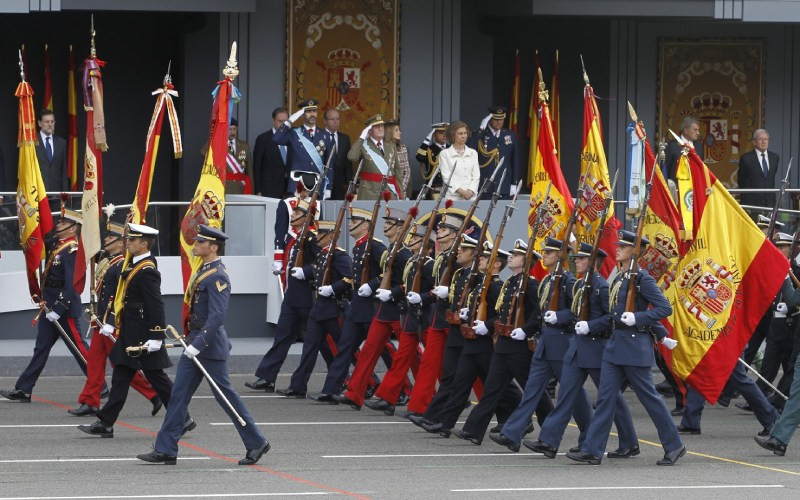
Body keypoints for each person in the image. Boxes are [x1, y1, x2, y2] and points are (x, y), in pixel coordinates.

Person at [137, 225, 269, 466]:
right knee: (178, 395)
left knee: (225, 397)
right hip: (196, 342)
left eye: (200, 242)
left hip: (208, 346)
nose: (195, 245)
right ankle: (166, 449)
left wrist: (198, 344)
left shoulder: (217, 275)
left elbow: (218, 316)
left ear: (213, 247)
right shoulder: (204, 270)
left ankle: (256, 442)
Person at [566, 230, 685, 466]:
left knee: (650, 399)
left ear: (635, 251)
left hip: (634, 348)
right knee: (605, 399)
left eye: (624, 245)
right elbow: (613, 314)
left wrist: (638, 318)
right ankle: (592, 449)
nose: (618, 248)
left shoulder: (642, 279)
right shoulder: (619, 278)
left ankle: (674, 445)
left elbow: (664, 309)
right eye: (618, 244)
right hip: (614, 348)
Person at [78, 223, 193, 439]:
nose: (127, 242)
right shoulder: (132, 265)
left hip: (143, 334)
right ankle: (106, 422)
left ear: (143, 243)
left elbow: (156, 304)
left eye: (132, 240)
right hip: (130, 330)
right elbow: (122, 297)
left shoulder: (147, 269)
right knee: (121, 376)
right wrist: (111, 321)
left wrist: (157, 336)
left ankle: (183, 418)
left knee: (157, 378)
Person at [524, 244, 638, 459]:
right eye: (575, 258)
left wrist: (591, 325)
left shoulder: (601, 287)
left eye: (581, 258)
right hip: (577, 347)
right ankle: (548, 441)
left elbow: (612, 317)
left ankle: (629, 441)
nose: (576, 261)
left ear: (593, 263)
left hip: (596, 348)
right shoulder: (579, 284)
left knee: (611, 397)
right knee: (565, 394)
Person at [488, 237, 590, 451]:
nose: (544, 256)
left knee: (574, 396)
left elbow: (579, 311)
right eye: (544, 252)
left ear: (560, 257)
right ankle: (512, 433)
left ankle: (589, 438)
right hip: (544, 344)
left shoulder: (569, 281)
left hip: (562, 345)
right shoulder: (547, 280)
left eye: (549, 253)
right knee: (532, 391)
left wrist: (559, 317)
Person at [419, 241, 524, 437]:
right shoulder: (480, 285)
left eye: (484, 258)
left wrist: (487, 325)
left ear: (496, 264)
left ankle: (517, 420)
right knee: (460, 384)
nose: (479, 260)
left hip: (485, 344)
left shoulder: (496, 287)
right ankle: (444, 423)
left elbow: (503, 314)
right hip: (471, 342)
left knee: (499, 388)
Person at [452, 239, 552, 444]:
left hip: (520, 347)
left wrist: (526, 330)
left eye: (516, 255)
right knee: (491, 388)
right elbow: (501, 313)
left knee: (534, 392)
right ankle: (473, 430)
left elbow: (539, 314)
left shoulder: (531, 285)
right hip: (504, 344)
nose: (511, 257)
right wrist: (487, 325)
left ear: (526, 261)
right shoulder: (511, 283)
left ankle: (550, 430)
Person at [68, 217, 161, 417]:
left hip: (112, 323)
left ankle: (154, 393)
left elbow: (116, 297)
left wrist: (109, 322)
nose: (106, 240)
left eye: (111, 237)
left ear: (121, 243)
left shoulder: (121, 264)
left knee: (122, 365)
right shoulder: (108, 261)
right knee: (95, 362)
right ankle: (90, 401)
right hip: (101, 321)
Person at [1, 208, 90, 402]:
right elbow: (36, 240)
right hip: (49, 307)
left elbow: (71, 284)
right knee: (40, 349)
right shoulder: (58, 245)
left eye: (63, 224)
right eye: (58, 222)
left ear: (74, 228)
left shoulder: (72, 250)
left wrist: (59, 309)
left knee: (80, 350)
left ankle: (100, 387)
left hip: (63, 310)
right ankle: (24, 389)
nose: (58, 225)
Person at [308, 207, 395, 403]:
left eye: (353, 220)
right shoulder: (358, 247)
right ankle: (332, 389)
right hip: (357, 306)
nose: (349, 224)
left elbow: (389, 272)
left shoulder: (375, 246)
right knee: (345, 349)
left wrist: (371, 286)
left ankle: (401, 389)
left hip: (371, 306)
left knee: (385, 350)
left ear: (364, 225)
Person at [246, 199, 332, 392]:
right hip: (292, 295)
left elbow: (324, 264)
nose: (291, 216)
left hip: (307, 297)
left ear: (306, 217)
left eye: (296, 213)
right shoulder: (293, 237)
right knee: (282, 336)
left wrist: (306, 272)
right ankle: (267, 377)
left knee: (322, 341)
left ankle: (341, 377)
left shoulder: (311, 238)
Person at [335, 206, 413, 409]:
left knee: (411, 356)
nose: (385, 226)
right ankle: (355, 394)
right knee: (369, 351)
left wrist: (390, 292)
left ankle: (420, 395)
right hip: (384, 309)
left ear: (400, 228)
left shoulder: (404, 254)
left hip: (398, 309)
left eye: (390, 224)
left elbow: (409, 283)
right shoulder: (389, 251)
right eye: (385, 223)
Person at [364, 222, 434, 415]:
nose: (410, 240)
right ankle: (387, 398)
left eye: (415, 239)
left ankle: (438, 400)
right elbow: (406, 284)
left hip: (428, 319)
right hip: (411, 317)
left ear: (427, 244)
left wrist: (423, 297)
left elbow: (437, 291)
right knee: (400, 360)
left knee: (436, 365)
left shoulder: (429, 265)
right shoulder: (413, 262)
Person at [278, 219, 352, 396]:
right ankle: (298, 386)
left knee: (347, 350)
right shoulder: (323, 255)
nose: (317, 237)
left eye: (321, 234)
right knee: (309, 348)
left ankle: (368, 383)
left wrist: (332, 289)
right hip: (319, 308)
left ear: (332, 236)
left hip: (334, 309)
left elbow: (349, 279)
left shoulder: (340, 256)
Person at [402, 210, 464, 417]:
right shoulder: (443, 257)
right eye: (439, 228)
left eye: (444, 229)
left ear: (455, 234)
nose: (439, 231)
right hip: (439, 318)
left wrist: (451, 293)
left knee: (473, 368)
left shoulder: (459, 257)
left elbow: (468, 286)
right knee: (429, 364)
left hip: (455, 318)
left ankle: (499, 408)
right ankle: (420, 407)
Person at [273, 99, 332, 197]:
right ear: (301, 114)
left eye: (314, 111)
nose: (312, 114)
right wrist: (289, 121)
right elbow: (276, 139)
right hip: (297, 185)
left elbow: (329, 164)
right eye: (308, 111)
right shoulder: (293, 133)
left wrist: (328, 187)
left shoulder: (324, 135)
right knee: (297, 212)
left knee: (316, 212)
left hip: (317, 187)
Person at [271, 171, 319, 288]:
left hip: (309, 246)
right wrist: (278, 259)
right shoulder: (286, 203)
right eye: (303, 189)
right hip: (291, 244)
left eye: (308, 191)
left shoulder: (316, 204)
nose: (305, 193)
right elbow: (280, 232)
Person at [467, 106, 519, 198]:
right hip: (485, 186)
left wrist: (514, 183)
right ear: (490, 119)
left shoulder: (509, 135)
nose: (499, 122)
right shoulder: (480, 135)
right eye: (496, 119)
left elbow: (514, 160)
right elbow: (469, 149)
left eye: (501, 119)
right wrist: (480, 130)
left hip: (504, 186)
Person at [348, 114, 402, 200]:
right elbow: (351, 157)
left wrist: (400, 194)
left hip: (389, 193)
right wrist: (362, 137)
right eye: (377, 127)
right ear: (369, 131)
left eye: (382, 126)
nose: (380, 129)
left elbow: (397, 171)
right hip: (370, 193)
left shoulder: (391, 146)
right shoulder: (363, 145)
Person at [252, 107, 290, 198]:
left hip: (289, 189)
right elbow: (257, 166)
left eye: (286, 121)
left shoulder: (293, 138)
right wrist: (258, 190)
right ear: (273, 121)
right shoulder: (263, 139)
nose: (283, 124)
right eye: (280, 121)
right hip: (269, 189)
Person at [738, 129, 780, 209]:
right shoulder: (746, 158)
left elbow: (771, 179)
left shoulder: (775, 158)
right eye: (760, 139)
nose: (764, 142)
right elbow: (741, 181)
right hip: (751, 203)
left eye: (766, 139)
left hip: (770, 203)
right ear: (754, 142)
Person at [439, 120, 480, 201]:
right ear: (453, 135)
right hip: (452, 198)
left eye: (465, 133)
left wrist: (470, 191)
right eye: (460, 133)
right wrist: (462, 192)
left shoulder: (473, 153)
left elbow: (476, 176)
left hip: (471, 197)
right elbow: (446, 177)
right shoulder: (445, 154)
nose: (463, 136)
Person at [35, 109, 68, 192]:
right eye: (47, 122)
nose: (50, 124)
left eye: (52, 122)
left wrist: (64, 195)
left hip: (56, 194)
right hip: (37, 195)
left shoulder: (61, 143)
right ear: (40, 123)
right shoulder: (32, 143)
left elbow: (64, 172)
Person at [323, 109, 352, 199]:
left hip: (340, 183)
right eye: (332, 119)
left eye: (337, 119)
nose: (335, 121)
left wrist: (349, 183)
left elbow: (348, 162)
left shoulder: (345, 138)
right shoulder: (319, 136)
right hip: (324, 181)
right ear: (325, 121)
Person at [665, 116, 704, 182]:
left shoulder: (699, 146)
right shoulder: (672, 145)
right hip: (677, 188)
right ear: (686, 130)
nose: (698, 133)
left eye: (698, 130)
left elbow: (701, 169)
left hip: (694, 187)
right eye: (695, 130)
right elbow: (666, 168)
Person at [415, 123, 449, 199]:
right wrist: (427, 139)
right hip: (433, 186)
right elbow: (419, 157)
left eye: (446, 133)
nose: (444, 135)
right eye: (440, 133)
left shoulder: (451, 149)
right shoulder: (429, 149)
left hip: (449, 186)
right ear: (434, 135)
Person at [224, 117, 254, 195]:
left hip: (241, 187)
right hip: (224, 187)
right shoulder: (219, 145)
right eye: (230, 129)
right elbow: (204, 153)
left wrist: (252, 190)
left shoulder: (244, 146)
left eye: (234, 129)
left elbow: (249, 170)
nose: (232, 132)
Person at [385, 120, 411, 199]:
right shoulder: (381, 149)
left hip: (400, 191)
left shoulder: (403, 148)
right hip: (385, 192)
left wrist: (400, 188)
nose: (400, 132)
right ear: (389, 132)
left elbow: (407, 171)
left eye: (399, 130)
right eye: (396, 130)